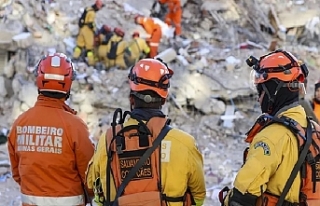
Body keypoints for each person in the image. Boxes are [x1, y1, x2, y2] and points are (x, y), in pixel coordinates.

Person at [86, 58, 206, 206]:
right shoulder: (184, 143)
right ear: (163, 99)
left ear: (132, 98)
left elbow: (91, 185)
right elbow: (199, 196)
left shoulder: (108, 140)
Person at [223, 50, 315, 206]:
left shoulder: (272, 136)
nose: (259, 98)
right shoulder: (314, 129)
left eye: (261, 91)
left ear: (273, 91)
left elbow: (242, 194)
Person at [7, 53, 94, 206]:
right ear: (68, 83)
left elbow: (17, 173)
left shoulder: (20, 123)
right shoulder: (75, 126)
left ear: (39, 80)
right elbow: (90, 175)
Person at [73, 0, 104, 66]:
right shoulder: (92, 13)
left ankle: (75, 57)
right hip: (88, 31)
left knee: (79, 45)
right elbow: (90, 23)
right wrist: (95, 30)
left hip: (82, 29)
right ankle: (91, 63)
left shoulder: (88, 9)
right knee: (89, 48)